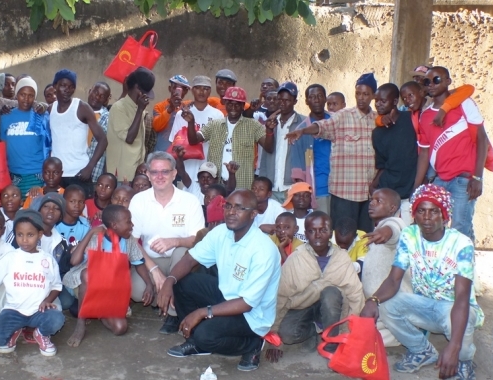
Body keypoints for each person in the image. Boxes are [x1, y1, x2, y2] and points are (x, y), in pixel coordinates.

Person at [361, 184, 482, 379]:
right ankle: (421, 350)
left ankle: (464, 361)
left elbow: (462, 298)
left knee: (458, 320)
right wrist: (372, 300)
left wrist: (454, 347)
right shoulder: (409, 236)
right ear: (414, 214)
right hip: (424, 304)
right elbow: (393, 280)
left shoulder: (461, 244)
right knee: (384, 303)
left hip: (456, 309)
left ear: (444, 215)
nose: (427, 217)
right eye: (421, 211)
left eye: (434, 211)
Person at [157, 190, 281, 372]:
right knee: (182, 282)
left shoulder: (263, 250)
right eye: (228, 206)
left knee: (205, 335)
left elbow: (247, 303)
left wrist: (202, 312)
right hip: (226, 296)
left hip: (252, 315)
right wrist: (168, 281)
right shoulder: (221, 232)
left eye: (240, 208)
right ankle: (196, 341)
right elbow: (190, 259)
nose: (231, 212)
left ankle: (252, 344)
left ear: (253, 214)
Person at [266, 211, 364, 361]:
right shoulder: (296, 258)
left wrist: (349, 335)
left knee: (331, 293)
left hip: (332, 309)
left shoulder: (342, 258)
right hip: (302, 307)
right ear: (305, 234)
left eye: (323, 230)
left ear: (331, 233)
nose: (317, 235)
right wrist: (274, 339)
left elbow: (356, 295)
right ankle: (315, 331)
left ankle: (331, 343)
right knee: (287, 335)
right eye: (312, 231)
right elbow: (281, 296)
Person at [286, 73, 378, 232]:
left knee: (364, 238)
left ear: (373, 96)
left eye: (365, 94)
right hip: (344, 193)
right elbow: (322, 127)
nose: (361, 98)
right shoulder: (343, 116)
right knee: (342, 237)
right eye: (358, 93)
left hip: (368, 193)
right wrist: (303, 131)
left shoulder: (377, 120)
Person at [128, 152, 205, 334]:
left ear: (174, 173)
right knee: (136, 291)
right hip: (149, 260)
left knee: (181, 251)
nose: (159, 176)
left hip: (179, 262)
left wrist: (175, 241)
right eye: (154, 172)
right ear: (147, 174)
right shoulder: (139, 200)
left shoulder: (189, 201)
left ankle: (173, 313)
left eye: (165, 171)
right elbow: (130, 240)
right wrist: (154, 270)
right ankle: (169, 297)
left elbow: (199, 239)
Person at [0, 209, 65, 357]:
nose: (25, 240)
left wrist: (48, 300)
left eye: (30, 235)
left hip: (38, 311)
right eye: (20, 235)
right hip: (13, 311)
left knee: (57, 318)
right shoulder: (10, 258)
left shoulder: (48, 259)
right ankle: (15, 329)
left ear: (39, 235)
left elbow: (57, 286)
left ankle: (40, 334)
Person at [414, 66, 489, 242]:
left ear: (448, 82)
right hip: (440, 180)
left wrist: (477, 177)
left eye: (436, 80)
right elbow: (424, 153)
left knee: (459, 230)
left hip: (464, 180)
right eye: (427, 81)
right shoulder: (425, 116)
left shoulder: (464, 104)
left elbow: (482, 140)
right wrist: (416, 187)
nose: (431, 84)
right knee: (437, 230)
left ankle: (464, 269)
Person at [63, 205, 154, 347]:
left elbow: (139, 263)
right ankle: (81, 324)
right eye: (128, 221)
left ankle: (99, 311)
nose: (132, 225)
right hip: (84, 286)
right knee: (88, 274)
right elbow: (74, 261)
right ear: (114, 225)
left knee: (120, 328)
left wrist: (149, 284)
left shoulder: (128, 240)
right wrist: (91, 232)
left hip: (109, 290)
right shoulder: (96, 237)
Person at [187, 86, 275, 190]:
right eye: (230, 104)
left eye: (237, 104)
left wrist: (269, 131)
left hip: (242, 185)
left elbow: (268, 148)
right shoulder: (214, 124)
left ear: (243, 106)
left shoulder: (253, 126)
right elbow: (193, 141)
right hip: (217, 184)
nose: (233, 107)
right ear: (225, 104)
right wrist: (191, 122)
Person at [361, 188, 412, 347]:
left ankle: (410, 332)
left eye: (378, 201)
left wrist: (386, 231)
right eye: (372, 200)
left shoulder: (395, 225)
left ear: (392, 208)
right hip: (377, 305)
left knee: (364, 339)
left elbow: (394, 229)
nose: (372, 203)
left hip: (390, 302)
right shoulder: (378, 228)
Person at [48, 69, 108, 197]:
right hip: (57, 175)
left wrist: (89, 167)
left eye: (71, 87)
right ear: (55, 86)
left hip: (79, 174)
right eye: (63, 85)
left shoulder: (81, 107)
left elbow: (103, 140)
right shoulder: (50, 109)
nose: (67, 90)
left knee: (80, 214)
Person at [371, 83, 418, 225]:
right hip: (389, 190)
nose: (378, 105)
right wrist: (374, 184)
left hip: (409, 191)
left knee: (407, 235)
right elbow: (383, 164)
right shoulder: (377, 133)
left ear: (395, 102)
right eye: (376, 101)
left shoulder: (411, 119)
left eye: (383, 101)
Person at [0, 77, 50, 198]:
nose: (26, 99)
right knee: (16, 212)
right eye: (22, 94)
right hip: (14, 174)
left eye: (31, 95)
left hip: (37, 173)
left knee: (36, 211)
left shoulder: (41, 115)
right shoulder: (6, 116)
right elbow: (3, 146)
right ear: (17, 94)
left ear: (35, 97)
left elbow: (47, 145)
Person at [169, 75, 223, 182]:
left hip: (209, 166)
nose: (201, 92)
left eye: (206, 89)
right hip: (186, 166)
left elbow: (219, 144)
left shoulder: (218, 115)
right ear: (193, 90)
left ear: (210, 91)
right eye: (198, 88)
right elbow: (174, 143)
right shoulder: (182, 114)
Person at [259, 82, 306, 202]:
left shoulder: (303, 123)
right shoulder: (271, 122)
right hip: (272, 187)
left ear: (295, 101)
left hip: (292, 187)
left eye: (287, 100)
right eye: (280, 99)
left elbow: (308, 154)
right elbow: (266, 153)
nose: (282, 103)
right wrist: (269, 130)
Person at [289, 84, 332, 213]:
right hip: (318, 190)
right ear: (307, 101)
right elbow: (297, 166)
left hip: (340, 189)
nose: (317, 100)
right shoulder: (300, 130)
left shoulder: (336, 121)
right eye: (312, 97)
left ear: (325, 99)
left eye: (320, 96)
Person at [107, 67, 156, 180]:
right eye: (145, 93)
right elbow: (129, 138)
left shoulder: (140, 108)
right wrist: (139, 110)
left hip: (136, 172)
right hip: (122, 174)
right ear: (137, 88)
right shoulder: (119, 108)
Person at [153, 75, 191, 153]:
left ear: (186, 92)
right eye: (175, 87)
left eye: (182, 89)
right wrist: (170, 109)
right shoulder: (159, 106)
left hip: (180, 154)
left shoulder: (188, 107)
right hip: (162, 153)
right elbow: (156, 127)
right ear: (170, 89)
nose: (178, 91)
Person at [87, 82, 112, 183]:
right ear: (90, 91)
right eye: (95, 93)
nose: (97, 97)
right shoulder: (77, 110)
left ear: (106, 100)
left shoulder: (108, 118)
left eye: (102, 96)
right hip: (73, 166)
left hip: (94, 170)